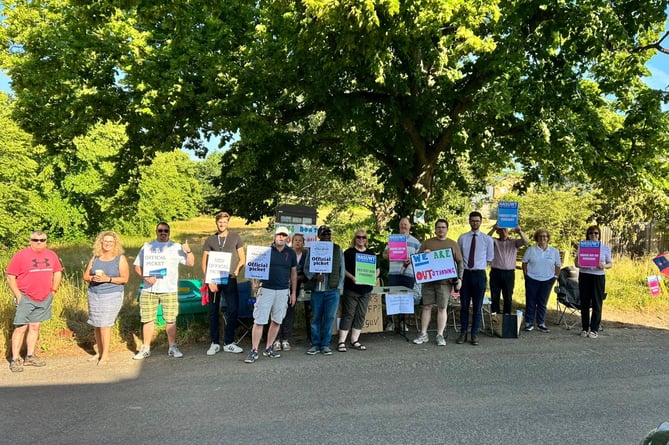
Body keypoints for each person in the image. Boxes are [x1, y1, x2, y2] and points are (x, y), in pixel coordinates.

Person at [133, 222, 195, 359]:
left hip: (169, 289)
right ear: (156, 232)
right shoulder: (147, 247)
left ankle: (172, 347)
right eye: (160, 230)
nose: (163, 233)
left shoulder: (176, 247)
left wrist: (188, 250)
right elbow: (137, 266)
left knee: (171, 319)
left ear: (169, 232)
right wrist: (146, 277)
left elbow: (191, 263)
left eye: (166, 231)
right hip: (149, 289)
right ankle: (146, 348)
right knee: (148, 319)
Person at [6, 231, 63, 373]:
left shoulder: (51, 255)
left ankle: (30, 356)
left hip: (44, 297)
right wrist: (18, 295)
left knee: (35, 327)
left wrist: (53, 291)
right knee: (21, 328)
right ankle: (15, 358)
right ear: (30, 240)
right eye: (35, 239)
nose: (39, 242)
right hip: (25, 296)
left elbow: (57, 272)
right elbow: (10, 276)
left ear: (46, 241)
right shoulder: (21, 255)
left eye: (42, 240)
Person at [244, 226, 297, 363]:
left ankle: (269, 348)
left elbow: (293, 274)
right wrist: (254, 282)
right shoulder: (266, 251)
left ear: (287, 238)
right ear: (274, 236)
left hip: (283, 290)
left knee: (277, 320)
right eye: (279, 234)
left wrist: (293, 293)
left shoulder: (290, 253)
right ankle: (254, 350)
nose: (281, 237)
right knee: (260, 320)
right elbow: (255, 267)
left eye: (284, 235)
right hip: (266, 289)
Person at [413, 219, 464, 347]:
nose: (441, 229)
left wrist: (460, 279)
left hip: (444, 283)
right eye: (438, 227)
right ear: (435, 229)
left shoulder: (452, 244)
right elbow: (417, 260)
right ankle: (423, 333)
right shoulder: (427, 243)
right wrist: (425, 255)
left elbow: (460, 262)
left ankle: (439, 335)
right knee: (427, 306)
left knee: (442, 308)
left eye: (443, 227)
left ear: (447, 229)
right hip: (428, 281)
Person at [201, 211, 246, 356]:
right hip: (214, 280)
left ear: (228, 222)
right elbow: (204, 262)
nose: (222, 224)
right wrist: (209, 280)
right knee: (213, 311)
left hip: (230, 278)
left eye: (225, 222)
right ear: (216, 222)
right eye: (220, 222)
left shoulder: (235, 237)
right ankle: (214, 343)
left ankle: (229, 342)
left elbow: (242, 258)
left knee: (233, 309)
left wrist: (238, 269)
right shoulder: (210, 239)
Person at [82, 231, 130, 365]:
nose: (108, 244)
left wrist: (107, 279)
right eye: (105, 241)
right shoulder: (95, 257)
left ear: (115, 244)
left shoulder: (120, 258)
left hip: (112, 294)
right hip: (94, 293)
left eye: (111, 241)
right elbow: (85, 276)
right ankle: (100, 352)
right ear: (100, 243)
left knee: (104, 324)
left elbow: (125, 279)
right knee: (96, 324)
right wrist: (93, 278)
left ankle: (105, 356)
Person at [304, 225, 345, 355]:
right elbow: (306, 268)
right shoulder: (313, 249)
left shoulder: (337, 249)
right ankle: (315, 344)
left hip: (332, 290)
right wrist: (315, 276)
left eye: (328, 234)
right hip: (317, 290)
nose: (326, 236)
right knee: (316, 317)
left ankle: (325, 344)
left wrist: (340, 287)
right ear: (319, 236)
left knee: (330, 317)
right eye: (324, 234)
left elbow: (342, 269)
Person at [337, 230, 379, 352]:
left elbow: (377, 269)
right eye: (358, 237)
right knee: (348, 314)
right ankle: (341, 341)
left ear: (366, 239)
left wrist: (374, 277)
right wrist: (352, 277)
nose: (361, 239)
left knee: (361, 314)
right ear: (354, 239)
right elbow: (342, 270)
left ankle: (354, 340)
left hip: (366, 289)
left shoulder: (371, 254)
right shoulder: (348, 253)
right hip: (352, 288)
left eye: (363, 237)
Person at [457, 211, 494, 346]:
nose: (475, 223)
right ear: (469, 221)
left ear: (481, 222)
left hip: (479, 274)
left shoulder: (487, 239)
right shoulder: (462, 238)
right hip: (465, 275)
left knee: (477, 307)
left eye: (477, 221)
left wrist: (479, 268)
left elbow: (489, 259)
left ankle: (474, 334)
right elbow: (459, 257)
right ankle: (463, 332)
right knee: (464, 306)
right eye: (472, 220)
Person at [383, 217, 421, 331]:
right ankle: (391, 322)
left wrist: (411, 260)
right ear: (399, 226)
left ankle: (403, 323)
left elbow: (419, 258)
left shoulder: (415, 242)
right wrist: (389, 252)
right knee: (392, 298)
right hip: (394, 273)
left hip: (408, 275)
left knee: (406, 299)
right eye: (401, 224)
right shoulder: (393, 239)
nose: (403, 226)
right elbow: (384, 255)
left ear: (410, 226)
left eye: (405, 224)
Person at [273, 232, 308, 351]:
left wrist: (296, 278)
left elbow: (306, 273)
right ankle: (276, 339)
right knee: (278, 311)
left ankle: (285, 338)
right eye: (296, 240)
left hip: (296, 287)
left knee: (289, 312)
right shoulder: (286, 253)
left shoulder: (305, 255)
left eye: (300, 240)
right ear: (292, 242)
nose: (298, 242)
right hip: (281, 286)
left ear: (303, 243)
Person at [522, 229, 561, 333]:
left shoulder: (554, 251)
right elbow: (524, 263)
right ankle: (529, 323)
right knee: (530, 301)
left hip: (547, 280)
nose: (543, 238)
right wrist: (526, 275)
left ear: (548, 238)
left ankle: (541, 323)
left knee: (542, 302)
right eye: (540, 236)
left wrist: (555, 277)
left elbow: (558, 265)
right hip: (532, 279)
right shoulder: (530, 250)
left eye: (545, 236)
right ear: (537, 238)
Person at [578, 225, 613, 339]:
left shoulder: (605, 248)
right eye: (591, 233)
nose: (593, 235)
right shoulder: (582, 246)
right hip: (584, 275)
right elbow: (577, 261)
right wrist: (577, 262)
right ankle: (584, 328)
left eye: (596, 233)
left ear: (599, 235)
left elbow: (610, 264)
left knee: (597, 303)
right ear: (587, 235)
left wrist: (604, 266)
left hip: (598, 276)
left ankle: (594, 329)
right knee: (584, 303)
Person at [487, 224, 528, 315]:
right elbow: (485, 239)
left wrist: (520, 232)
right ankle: (495, 317)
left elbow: (525, 241)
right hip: (495, 272)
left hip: (509, 273)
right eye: (501, 230)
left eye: (505, 230)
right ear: (498, 232)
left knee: (508, 296)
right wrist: (493, 228)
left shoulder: (514, 242)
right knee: (495, 296)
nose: (503, 232)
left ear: (508, 231)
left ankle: (506, 316)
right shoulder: (494, 241)